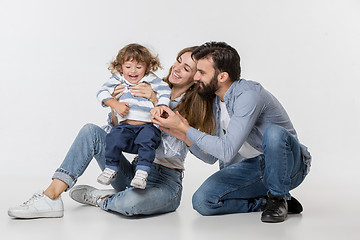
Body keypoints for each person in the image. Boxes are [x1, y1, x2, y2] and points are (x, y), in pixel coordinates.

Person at [8, 46, 214, 219]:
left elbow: (209, 158)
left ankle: (102, 198)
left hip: (166, 181)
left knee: (130, 204)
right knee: (91, 131)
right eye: (178, 60)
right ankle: (51, 197)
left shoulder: (196, 106)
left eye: (186, 67)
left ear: (196, 77)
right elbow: (119, 127)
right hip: (134, 172)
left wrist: (157, 104)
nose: (176, 68)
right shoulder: (148, 83)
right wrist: (116, 106)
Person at [151, 41, 312, 223]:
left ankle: (277, 197)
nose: (195, 77)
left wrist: (185, 128)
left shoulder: (249, 95)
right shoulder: (212, 101)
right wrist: (183, 135)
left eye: (201, 72)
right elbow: (211, 157)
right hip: (254, 168)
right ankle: (264, 202)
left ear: (222, 76)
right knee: (203, 202)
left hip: (289, 166)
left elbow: (227, 150)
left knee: (274, 133)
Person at [96, 43, 171, 189]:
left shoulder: (150, 79)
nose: (133, 71)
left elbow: (164, 90)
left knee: (148, 141)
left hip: (146, 125)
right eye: (128, 66)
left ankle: (142, 173)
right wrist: (115, 104)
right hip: (125, 126)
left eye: (139, 67)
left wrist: (161, 105)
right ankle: (110, 168)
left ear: (147, 68)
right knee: (113, 138)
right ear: (120, 67)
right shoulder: (117, 79)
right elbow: (101, 93)